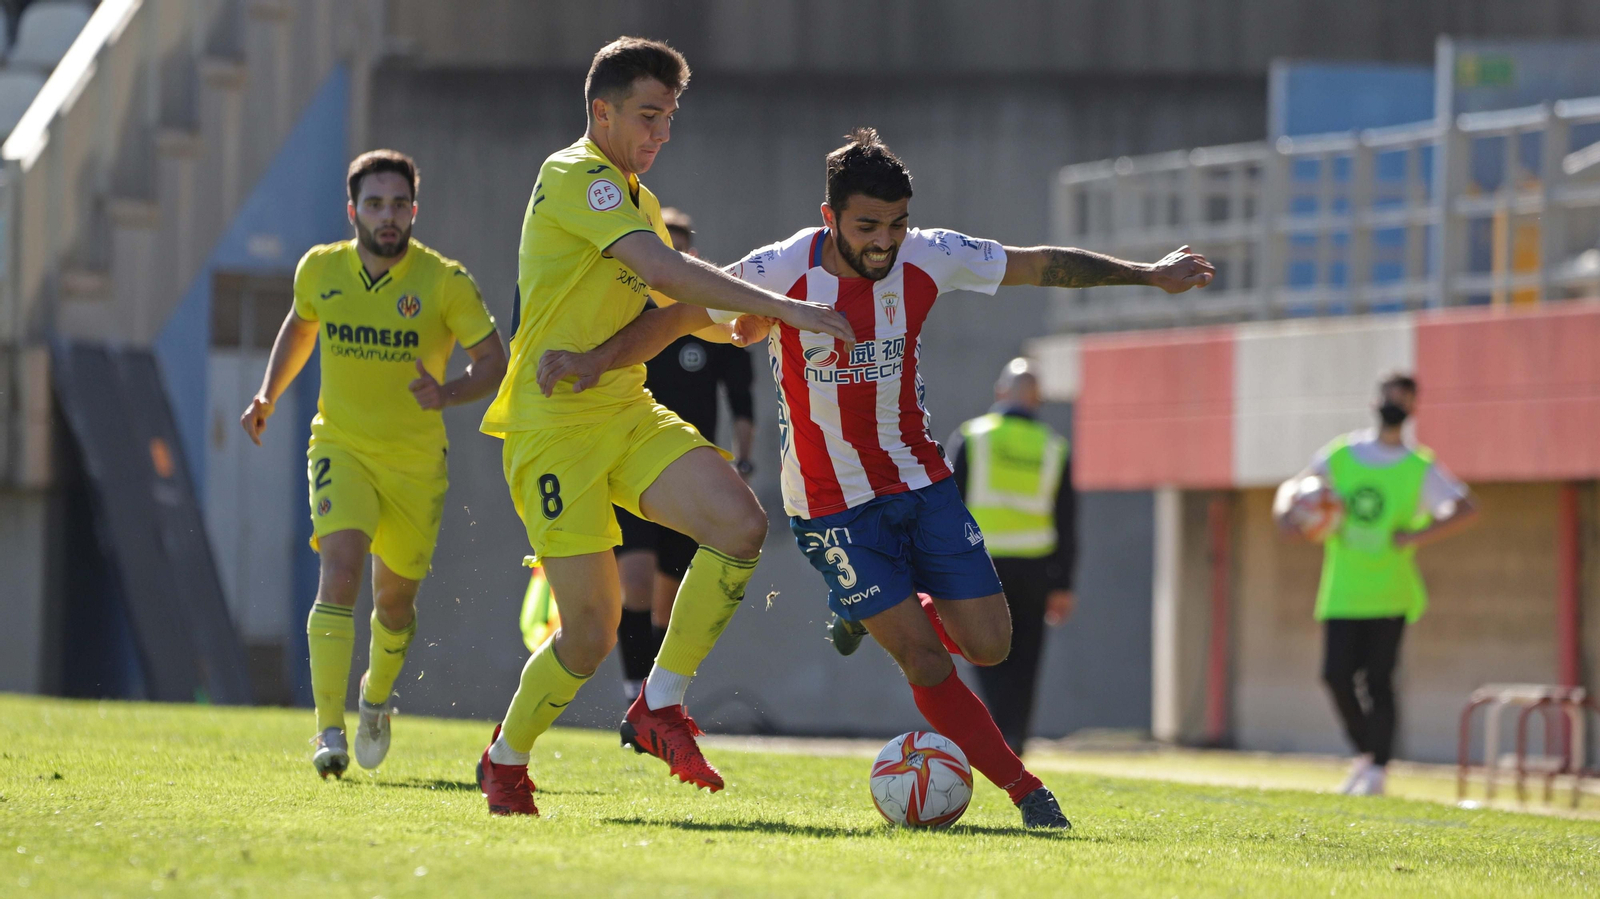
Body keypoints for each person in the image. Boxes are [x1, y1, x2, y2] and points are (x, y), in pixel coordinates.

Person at [537, 127, 1213, 828]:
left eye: (897, 223)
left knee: (992, 643)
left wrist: (1148, 273)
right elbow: (678, 315)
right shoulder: (781, 267)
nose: (885, 242)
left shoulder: (931, 255)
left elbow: (1039, 264)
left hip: (922, 482)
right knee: (922, 656)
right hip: (831, 507)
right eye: (867, 226)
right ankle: (1026, 790)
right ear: (830, 218)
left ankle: (870, 608)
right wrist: (595, 362)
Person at [472, 37, 853, 816]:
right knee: (590, 631)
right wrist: (777, 307)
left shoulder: (636, 196)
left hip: (624, 410)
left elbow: (669, 309)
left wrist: (736, 327)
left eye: (670, 117)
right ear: (602, 110)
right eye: (650, 115)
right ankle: (506, 758)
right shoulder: (574, 174)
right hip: (550, 430)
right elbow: (664, 272)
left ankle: (660, 702)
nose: (662, 133)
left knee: (739, 525)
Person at [239, 149, 507, 779]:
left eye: (398, 204)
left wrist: (448, 392)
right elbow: (300, 327)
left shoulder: (444, 281)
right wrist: (266, 395)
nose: (387, 216)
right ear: (352, 209)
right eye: (374, 204)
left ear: (414, 210)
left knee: (394, 604)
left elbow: (495, 361)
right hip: (341, 447)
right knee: (339, 572)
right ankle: (327, 730)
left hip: (416, 466)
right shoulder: (321, 269)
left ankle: (375, 698)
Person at [1277, 373, 1478, 796]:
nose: (1394, 405)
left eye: (1403, 400)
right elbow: (1293, 489)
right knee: (1334, 676)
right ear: (1376, 402)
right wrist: (1288, 514)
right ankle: (1368, 755)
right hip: (1342, 589)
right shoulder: (1344, 453)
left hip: (1391, 589)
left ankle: (1376, 770)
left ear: (1413, 408)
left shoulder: (1418, 466)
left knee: (1380, 680)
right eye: (1390, 398)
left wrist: (1415, 536)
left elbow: (1464, 507)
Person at [614, 208, 757, 702]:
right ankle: (635, 687)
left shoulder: (708, 318)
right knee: (633, 580)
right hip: (629, 459)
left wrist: (743, 457)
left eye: (676, 251)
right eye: (657, 250)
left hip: (689, 468)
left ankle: (653, 701)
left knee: (667, 598)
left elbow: (741, 399)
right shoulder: (624, 311)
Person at [947, 357, 1076, 755]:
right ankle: (1015, 736)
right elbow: (1067, 520)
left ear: (1001, 392)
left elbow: (948, 507)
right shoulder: (1054, 447)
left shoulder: (973, 436)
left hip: (983, 564)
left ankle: (995, 735)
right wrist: (1063, 584)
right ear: (1038, 399)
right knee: (1027, 657)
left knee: (983, 651)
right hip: (1036, 567)